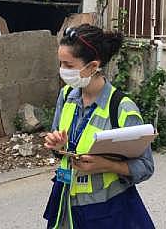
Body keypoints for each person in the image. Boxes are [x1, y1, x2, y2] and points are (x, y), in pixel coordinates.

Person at [43, 24, 155, 228]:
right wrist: (58, 148)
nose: (62, 71)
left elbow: (146, 167)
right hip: (66, 202)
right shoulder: (67, 96)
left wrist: (108, 166)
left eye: (68, 65)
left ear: (93, 66)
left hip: (107, 210)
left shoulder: (122, 109)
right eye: (60, 63)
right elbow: (60, 152)